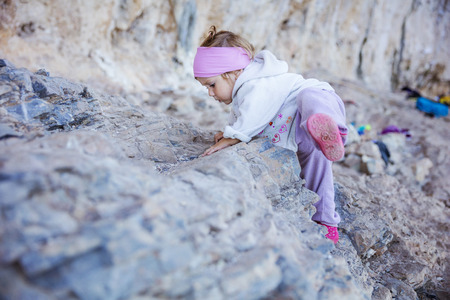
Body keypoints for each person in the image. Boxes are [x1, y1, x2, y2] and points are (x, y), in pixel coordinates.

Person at [193, 26, 347, 244]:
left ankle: (333, 131)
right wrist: (229, 132)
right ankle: (327, 222)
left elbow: (252, 114)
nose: (209, 93)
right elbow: (244, 117)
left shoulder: (256, 83)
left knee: (311, 96)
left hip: (312, 106)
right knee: (318, 176)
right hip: (302, 135)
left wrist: (233, 136)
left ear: (233, 72)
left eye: (211, 85)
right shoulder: (242, 95)